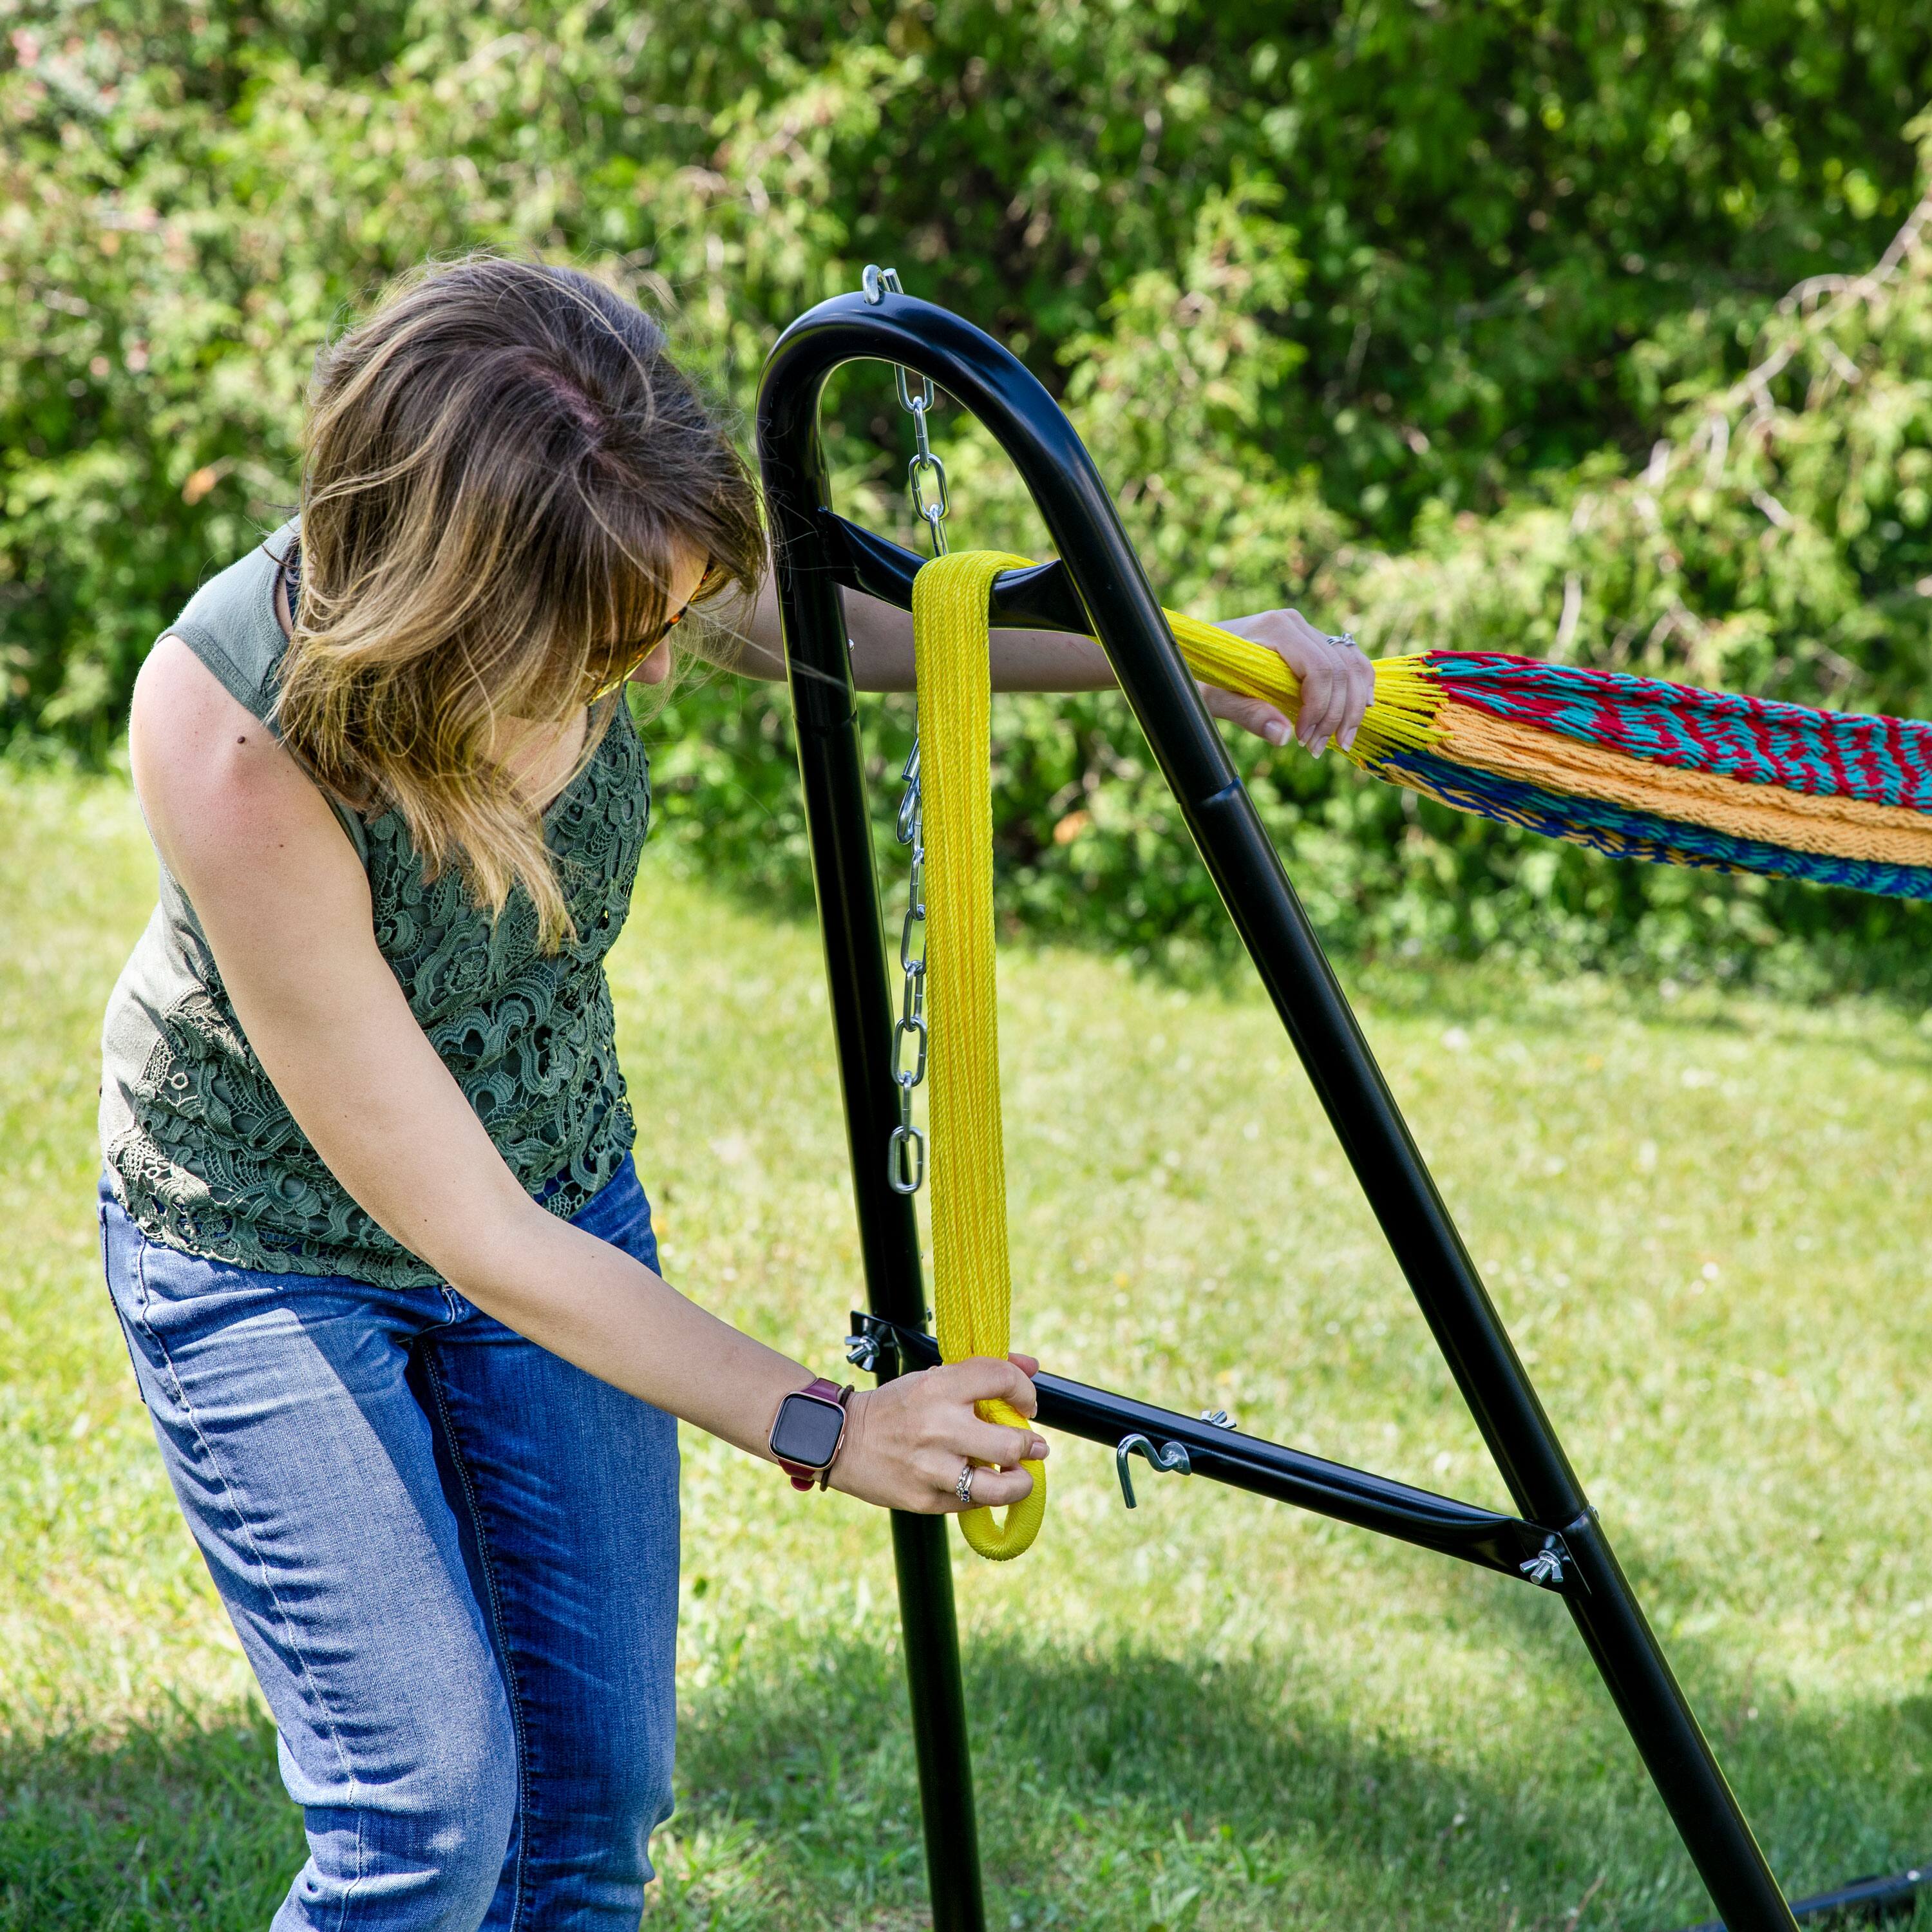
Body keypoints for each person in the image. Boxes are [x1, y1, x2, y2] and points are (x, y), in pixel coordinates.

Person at [95, 252, 1374, 1929]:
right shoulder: (236, 739)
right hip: (269, 1256)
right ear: (457, 601)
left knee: (594, 1809)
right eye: (611, 646)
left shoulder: (614, 538)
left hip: (555, 1183)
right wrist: (824, 1428)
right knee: (427, 1816)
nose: (653, 669)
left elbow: (859, 624)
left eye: (670, 619)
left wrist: (1169, 654)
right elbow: (473, 1237)